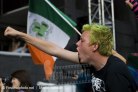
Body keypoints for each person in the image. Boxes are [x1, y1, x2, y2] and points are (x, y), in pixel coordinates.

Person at [4, 23, 136, 91]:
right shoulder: (92, 62)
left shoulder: (115, 72)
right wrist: (22, 35)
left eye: (82, 40)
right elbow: (54, 50)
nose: (77, 44)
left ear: (95, 46)